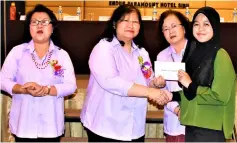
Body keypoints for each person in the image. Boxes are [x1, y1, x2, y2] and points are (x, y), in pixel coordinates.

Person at [80, 4, 172, 142]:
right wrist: (149, 92)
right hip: (105, 126)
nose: (131, 25)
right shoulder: (104, 48)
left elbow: (148, 79)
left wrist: (155, 83)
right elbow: (111, 81)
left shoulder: (142, 53)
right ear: (114, 24)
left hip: (134, 127)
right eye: (126, 20)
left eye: (135, 22)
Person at [0, 4, 77, 142]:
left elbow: (71, 86)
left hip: (51, 126)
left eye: (45, 22)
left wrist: (46, 90)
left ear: (52, 27)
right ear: (29, 27)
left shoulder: (61, 55)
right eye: (34, 22)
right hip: (23, 125)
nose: (39, 25)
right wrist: (23, 89)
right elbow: (2, 80)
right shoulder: (17, 52)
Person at [174, 6, 236, 142]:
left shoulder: (221, 55)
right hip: (192, 123)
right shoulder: (192, 53)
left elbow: (220, 96)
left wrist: (190, 85)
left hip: (210, 128)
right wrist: (172, 95)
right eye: (196, 24)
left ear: (215, 26)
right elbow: (191, 92)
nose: (200, 28)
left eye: (206, 24)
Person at [156, 10, 190, 142]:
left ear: (184, 28)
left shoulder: (197, 51)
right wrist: (177, 109)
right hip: (174, 123)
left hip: (198, 122)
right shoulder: (162, 56)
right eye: (166, 29)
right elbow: (163, 91)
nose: (171, 31)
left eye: (174, 26)